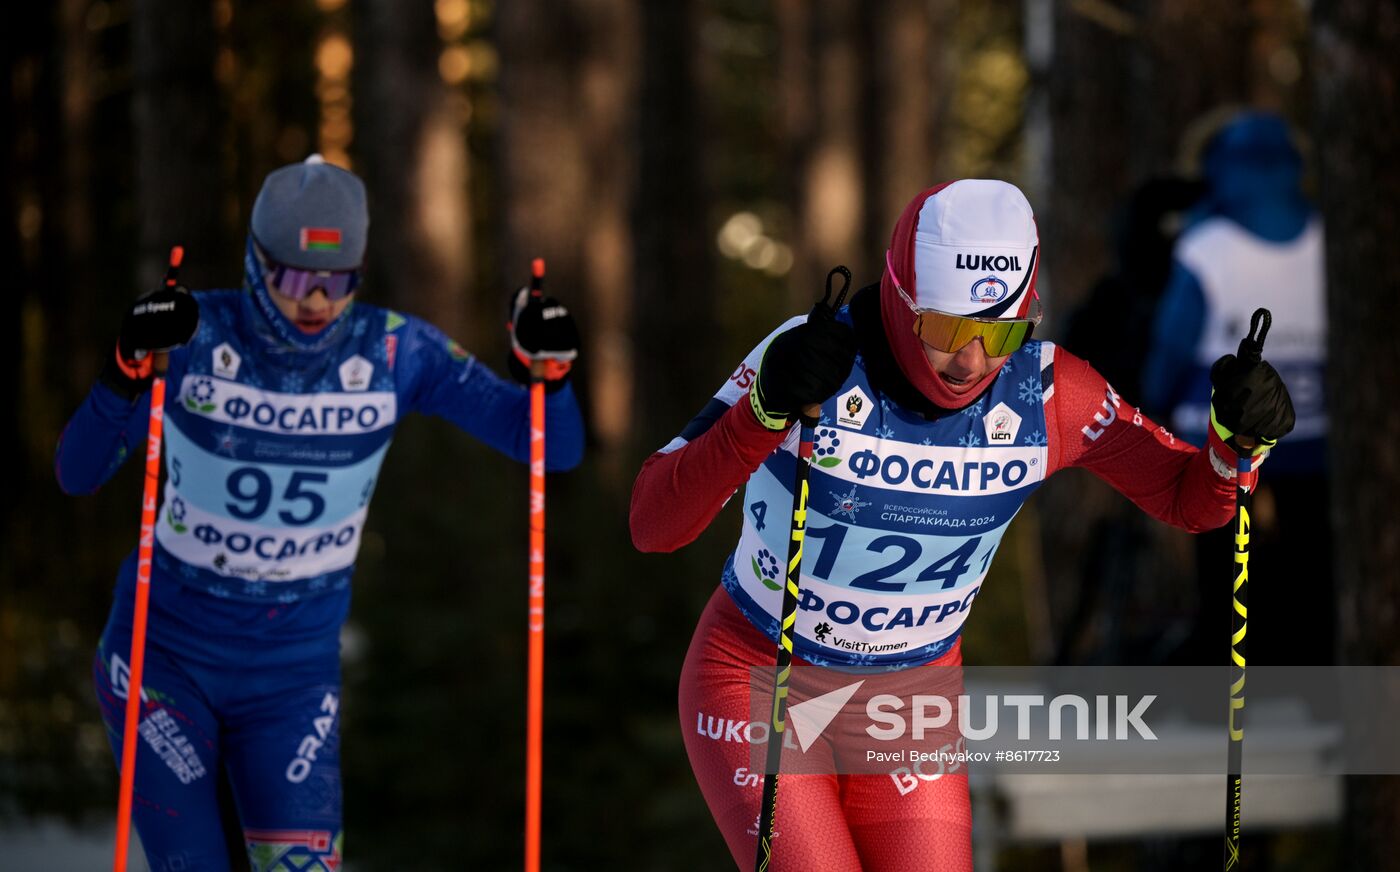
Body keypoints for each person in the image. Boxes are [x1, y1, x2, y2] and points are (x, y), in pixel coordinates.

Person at [629, 179, 1295, 871]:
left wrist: (1234, 443)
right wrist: (763, 411)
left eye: (1001, 332)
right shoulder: (813, 359)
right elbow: (654, 522)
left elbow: (1191, 499)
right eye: (948, 329)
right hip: (759, 678)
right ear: (900, 295)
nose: (971, 361)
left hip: (912, 701)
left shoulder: (1050, 394)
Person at [55, 155, 584, 871]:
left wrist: (547, 369)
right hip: (163, 662)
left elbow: (549, 447)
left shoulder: (396, 350)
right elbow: (78, 473)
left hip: (292, 682)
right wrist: (125, 368)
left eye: (339, 281)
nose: (316, 301)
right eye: (296, 277)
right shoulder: (196, 337)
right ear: (256, 262)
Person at [1142, 109, 1329, 666]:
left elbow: (1175, 342)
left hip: (1218, 427)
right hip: (1315, 427)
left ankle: (1220, 678)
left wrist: (1152, 403)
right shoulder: (1327, 231)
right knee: (1312, 558)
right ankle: (1314, 679)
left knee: (1222, 555)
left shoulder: (1208, 243)